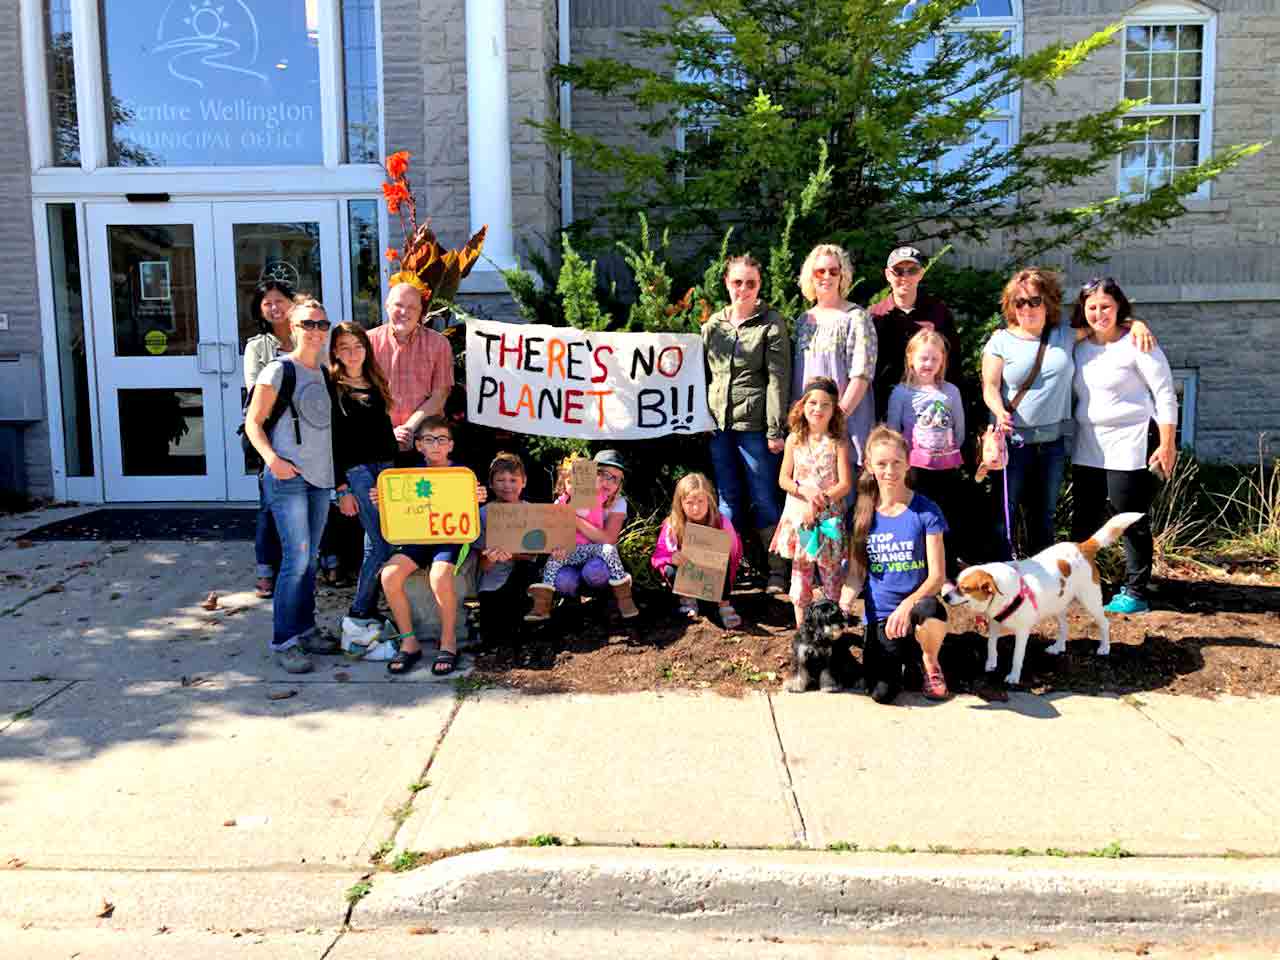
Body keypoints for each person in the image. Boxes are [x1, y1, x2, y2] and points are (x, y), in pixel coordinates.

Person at [982, 268, 1156, 559]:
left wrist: (1135, 323)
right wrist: (999, 410)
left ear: (1047, 302)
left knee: (1044, 513)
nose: (1027, 308)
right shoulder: (1001, 340)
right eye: (1019, 302)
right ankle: (1003, 575)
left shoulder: (1063, 335)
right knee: (1005, 512)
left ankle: (1042, 577)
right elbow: (989, 385)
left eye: (1034, 301)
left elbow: (1103, 324)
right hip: (1012, 441)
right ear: (1011, 306)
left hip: (1052, 443)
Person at [243, 295, 340, 674]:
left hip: (320, 479)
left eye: (322, 324)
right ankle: (284, 640)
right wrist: (274, 461)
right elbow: (253, 422)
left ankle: (306, 628)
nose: (316, 331)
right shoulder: (278, 371)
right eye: (308, 324)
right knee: (295, 559)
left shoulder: (325, 373)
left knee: (309, 560)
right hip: (288, 479)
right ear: (292, 327)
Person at [1070, 277, 1179, 614]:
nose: (1099, 313)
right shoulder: (1079, 344)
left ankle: (1135, 591)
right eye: (1092, 307)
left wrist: (1167, 443)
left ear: (1119, 308)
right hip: (1087, 444)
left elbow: (1164, 393)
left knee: (1130, 517)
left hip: (1129, 443)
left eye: (1106, 307)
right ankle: (1080, 584)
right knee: (1084, 518)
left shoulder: (1138, 342)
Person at [702, 254, 792, 593]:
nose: (743, 289)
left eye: (750, 283)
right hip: (718, 428)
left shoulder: (771, 323)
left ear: (759, 285)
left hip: (755, 426)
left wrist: (774, 429)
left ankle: (777, 571)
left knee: (764, 498)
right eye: (737, 282)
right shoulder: (713, 326)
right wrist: (702, 417)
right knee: (727, 500)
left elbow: (777, 379)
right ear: (727, 283)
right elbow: (703, 375)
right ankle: (723, 573)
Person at [377, 416, 488, 676]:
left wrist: (478, 498)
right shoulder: (407, 477)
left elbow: (472, 509)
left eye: (441, 440)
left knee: (439, 577)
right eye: (429, 439)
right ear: (418, 446)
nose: (436, 445)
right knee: (390, 576)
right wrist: (380, 498)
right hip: (417, 538)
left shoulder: (463, 474)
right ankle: (409, 641)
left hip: (450, 539)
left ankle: (448, 642)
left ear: (451, 445)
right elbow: (396, 506)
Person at [847, 426, 949, 704]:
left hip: (915, 610)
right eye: (881, 464)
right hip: (880, 617)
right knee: (882, 694)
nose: (889, 471)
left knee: (931, 610)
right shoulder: (861, 515)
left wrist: (907, 605)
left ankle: (930, 661)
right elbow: (856, 574)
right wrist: (843, 602)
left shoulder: (926, 511)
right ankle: (908, 662)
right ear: (869, 465)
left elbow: (937, 577)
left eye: (896, 463)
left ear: (908, 463)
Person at [328, 321, 399, 645]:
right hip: (357, 472)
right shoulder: (332, 386)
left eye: (357, 346)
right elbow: (332, 443)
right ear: (335, 352)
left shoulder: (374, 380)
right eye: (344, 347)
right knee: (384, 541)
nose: (352, 353)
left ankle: (366, 609)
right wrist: (341, 488)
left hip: (386, 468)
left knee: (375, 543)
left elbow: (384, 433)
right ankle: (358, 611)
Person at [772, 378, 854, 627]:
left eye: (825, 405)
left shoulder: (838, 442)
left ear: (834, 410)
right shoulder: (794, 440)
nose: (818, 409)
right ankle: (803, 629)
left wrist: (821, 501)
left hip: (827, 520)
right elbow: (783, 479)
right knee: (802, 571)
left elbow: (845, 484)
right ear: (802, 405)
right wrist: (804, 491)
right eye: (813, 403)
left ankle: (833, 628)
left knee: (830, 571)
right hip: (802, 522)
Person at [526, 450, 640, 622]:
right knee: (552, 563)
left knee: (607, 551)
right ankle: (543, 605)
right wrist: (556, 545)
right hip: (570, 553)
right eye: (603, 474)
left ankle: (621, 597)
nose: (607, 482)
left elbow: (609, 539)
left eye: (614, 478)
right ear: (563, 483)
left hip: (591, 552)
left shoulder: (600, 496)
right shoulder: (560, 503)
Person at [792, 244, 878, 467]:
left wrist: (836, 420)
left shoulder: (857, 318)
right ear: (810, 276)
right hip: (808, 423)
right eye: (820, 271)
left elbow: (862, 375)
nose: (827, 276)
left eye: (833, 271)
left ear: (843, 275)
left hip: (845, 423)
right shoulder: (802, 321)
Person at [887, 329, 966, 572]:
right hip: (915, 469)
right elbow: (892, 430)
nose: (928, 364)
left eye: (934, 358)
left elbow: (959, 426)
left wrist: (951, 452)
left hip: (946, 467)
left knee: (946, 515)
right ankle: (918, 567)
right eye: (923, 358)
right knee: (916, 516)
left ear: (942, 360)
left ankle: (947, 567)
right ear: (911, 358)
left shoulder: (950, 391)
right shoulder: (901, 392)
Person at [242, 278, 296, 599]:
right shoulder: (256, 347)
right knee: (270, 505)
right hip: (272, 434)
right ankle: (266, 571)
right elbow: (257, 392)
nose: (274, 307)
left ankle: (325, 562)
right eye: (267, 303)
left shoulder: (308, 336)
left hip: (310, 436)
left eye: (280, 300)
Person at [868, 247, 962, 423]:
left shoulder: (939, 313)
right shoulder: (875, 316)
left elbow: (954, 364)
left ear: (921, 274)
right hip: (886, 410)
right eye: (898, 271)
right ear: (888, 275)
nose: (905, 277)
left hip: (931, 411)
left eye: (912, 270)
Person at [366, 281, 455, 467]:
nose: (404, 312)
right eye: (398, 305)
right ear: (387, 306)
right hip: (379, 442)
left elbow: (440, 395)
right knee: (381, 495)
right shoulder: (367, 343)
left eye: (412, 307)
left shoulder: (439, 344)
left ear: (420, 311)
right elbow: (361, 393)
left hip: (426, 445)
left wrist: (408, 428)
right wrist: (389, 432)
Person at [650, 472, 744, 629]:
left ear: (709, 500)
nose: (696, 508)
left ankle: (724, 605)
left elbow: (734, 553)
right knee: (669, 568)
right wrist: (672, 557)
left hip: (715, 579)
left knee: (723, 556)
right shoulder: (672, 525)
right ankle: (688, 600)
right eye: (689, 503)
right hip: (688, 576)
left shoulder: (721, 522)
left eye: (701, 501)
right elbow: (659, 555)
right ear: (680, 504)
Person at [476, 451, 539, 645]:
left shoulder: (532, 512)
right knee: (493, 632)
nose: (507, 485)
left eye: (513, 480)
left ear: (524, 482)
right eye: (501, 480)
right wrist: (491, 557)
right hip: (492, 581)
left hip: (524, 576)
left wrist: (513, 554)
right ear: (491, 483)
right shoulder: (483, 514)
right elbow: (482, 565)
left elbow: (534, 555)